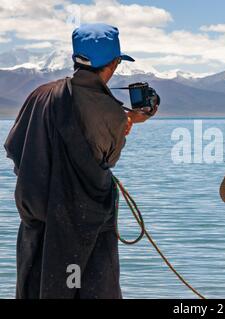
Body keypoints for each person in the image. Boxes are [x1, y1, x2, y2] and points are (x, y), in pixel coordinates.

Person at [3, 23, 157, 298]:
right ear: (113, 64)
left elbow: (16, 152)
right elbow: (106, 160)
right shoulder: (112, 113)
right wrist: (126, 122)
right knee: (86, 288)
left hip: (36, 226)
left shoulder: (39, 95)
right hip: (84, 230)